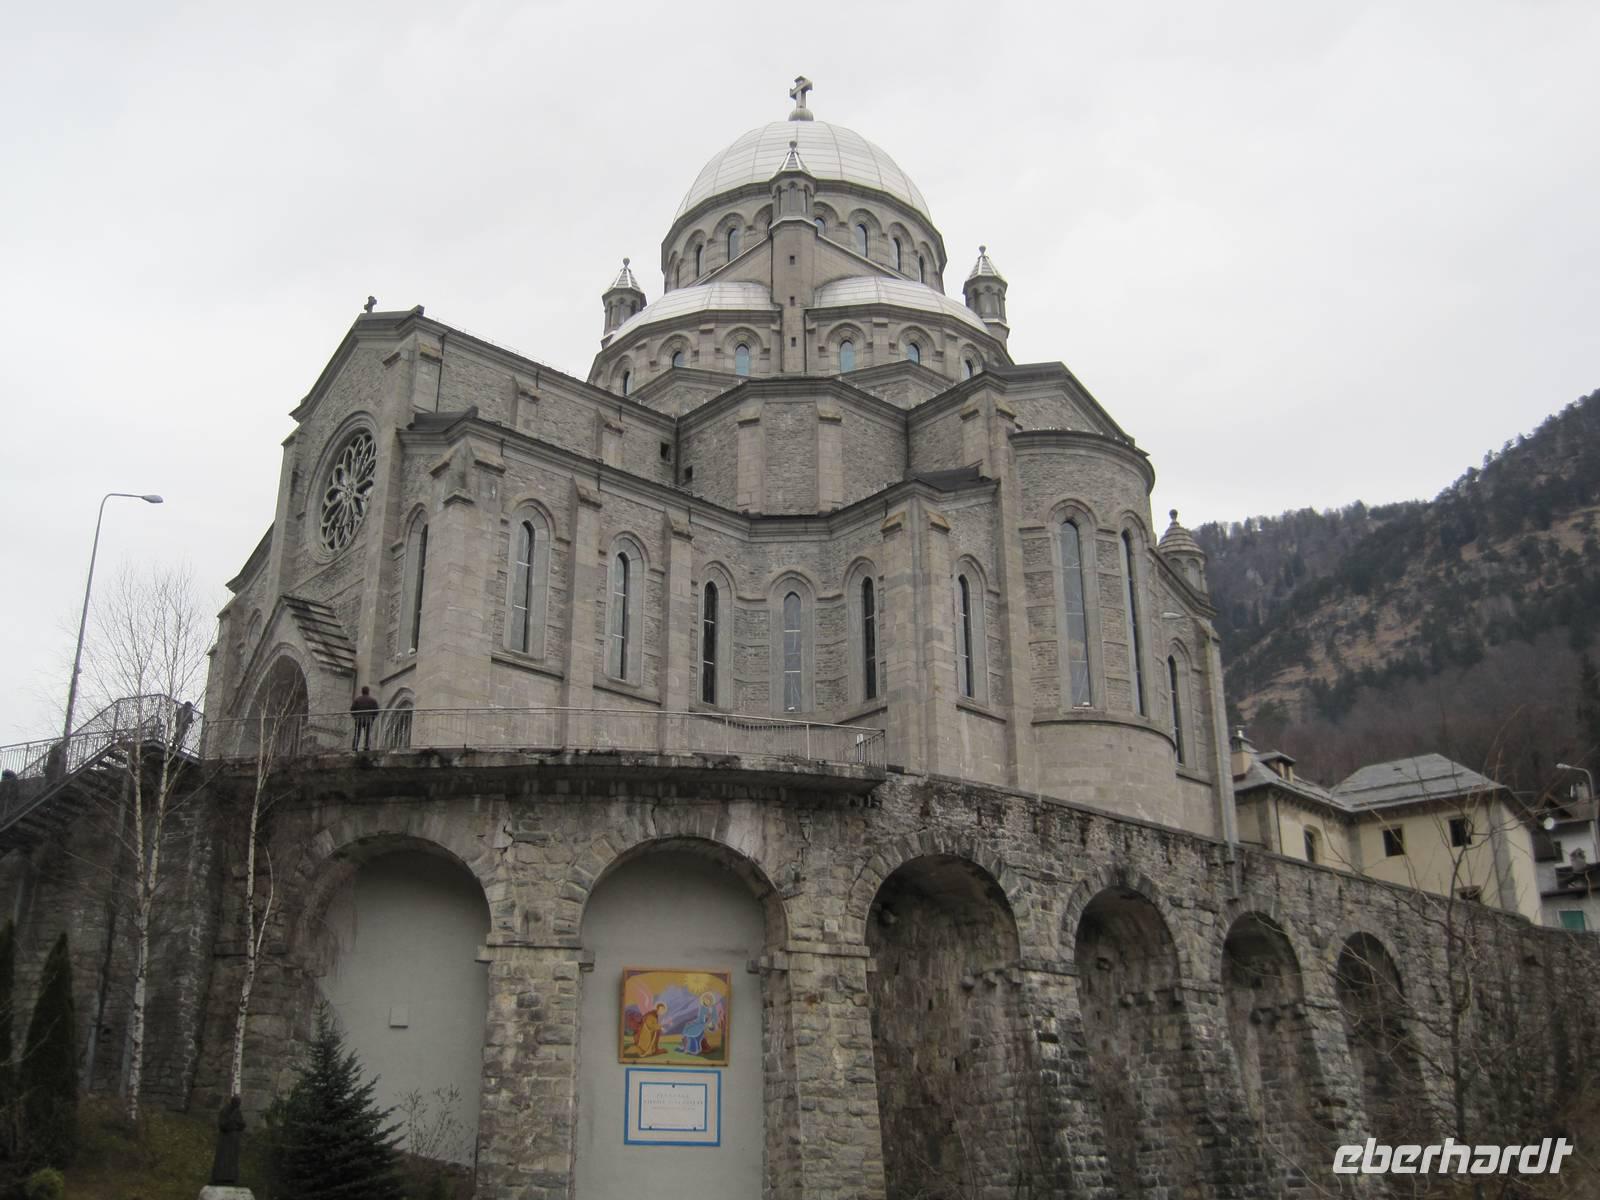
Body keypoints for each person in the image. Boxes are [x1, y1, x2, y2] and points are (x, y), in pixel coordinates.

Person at [350, 686, 380, 751]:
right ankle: (366, 747)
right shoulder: (372, 700)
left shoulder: (357, 700)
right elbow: (377, 711)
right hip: (368, 720)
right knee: (367, 734)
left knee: (357, 734)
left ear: (362, 692)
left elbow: (352, 710)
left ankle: (354, 747)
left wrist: (356, 717)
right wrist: (372, 718)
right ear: (368, 692)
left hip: (359, 720)